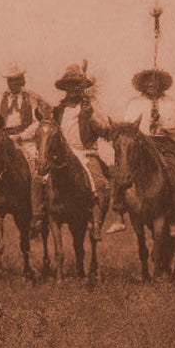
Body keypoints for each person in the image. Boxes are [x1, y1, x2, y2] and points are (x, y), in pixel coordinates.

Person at [118, 67, 175, 235]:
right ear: (142, 84)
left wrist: (160, 122)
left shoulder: (170, 102)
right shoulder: (134, 103)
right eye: (148, 81)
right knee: (122, 170)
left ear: (161, 84)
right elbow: (128, 126)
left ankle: (173, 218)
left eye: (155, 80)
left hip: (163, 143)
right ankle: (119, 212)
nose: (151, 84)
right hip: (140, 144)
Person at [53, 64, 114, 238]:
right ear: (65, 88)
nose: (73, 89)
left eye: (76, 85)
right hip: (63, 155)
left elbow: (104, 129)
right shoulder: (58, 109)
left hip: (85, 154)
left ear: (82, 87)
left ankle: (96, 224)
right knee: (41, 179)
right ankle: (40, 216)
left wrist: (90, 116)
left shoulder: (91, 106)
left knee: (101, 184)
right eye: (69, 85)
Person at [0, 64, 51, 230]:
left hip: (26, 141)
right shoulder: (1, 98)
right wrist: (2, 137)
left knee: (36, 172)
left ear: (22, 80)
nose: (13, 84)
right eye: (11, 81)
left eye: (17, 80)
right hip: (6, 141)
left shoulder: (31, 97)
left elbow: (36, 122)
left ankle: (37, 210)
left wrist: (20, 136)